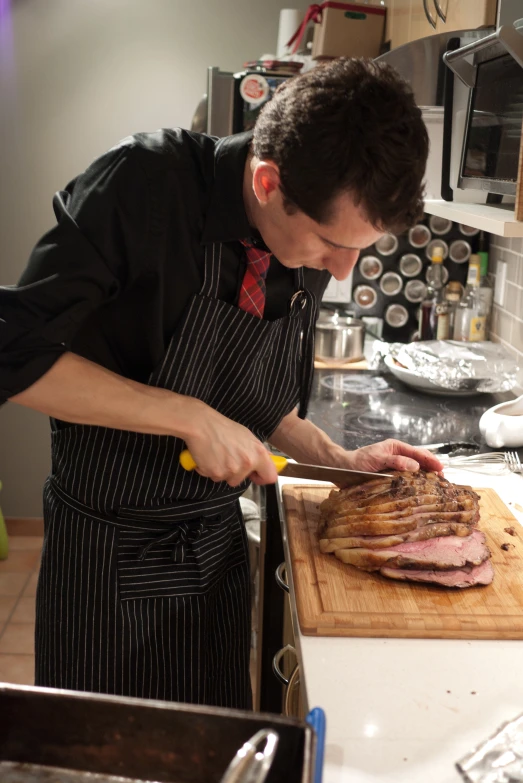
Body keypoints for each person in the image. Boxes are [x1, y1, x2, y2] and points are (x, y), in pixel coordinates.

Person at [0, 57, 442, 708]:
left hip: (213, 545)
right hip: (108, 553)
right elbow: (14, 350)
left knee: (211, 744)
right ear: (267, 182)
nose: (342, 271)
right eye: (329, 243)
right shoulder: (142, 185)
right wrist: (183, 414)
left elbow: (248, 396)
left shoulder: (304, 236)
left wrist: (341, 462)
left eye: (362, 248)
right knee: (106, 761)